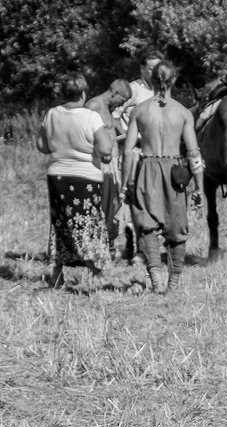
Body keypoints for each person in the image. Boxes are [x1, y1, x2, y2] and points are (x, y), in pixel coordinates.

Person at [122, 60, 204, 294]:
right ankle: (173, 282)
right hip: (173, 172)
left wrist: (126, 182)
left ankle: (155, 277)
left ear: (151, 79)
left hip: (147, 168)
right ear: (174, 80)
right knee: (177, 228)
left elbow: (128, 151)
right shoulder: (182, 112)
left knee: (146, 227)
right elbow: (193, 153)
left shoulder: (139, 110)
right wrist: (198, 188)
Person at [36, 72, 114, 287]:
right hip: (85, 177)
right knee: (87, 225)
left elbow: (42, 146)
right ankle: (95, 273)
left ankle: (57, 273)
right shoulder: (91, 117)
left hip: (58, 176)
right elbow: (105, 148)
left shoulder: (51, 114)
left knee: (61, 225)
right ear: (82, 93)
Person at [113, 49, 164, 258]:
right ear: (142, 68)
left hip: (155, 153)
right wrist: (128, 136)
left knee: (153, 198)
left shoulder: (162, 91)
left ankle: (147, 245)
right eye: (150, 68)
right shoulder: (133, 90)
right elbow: (115, 116)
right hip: (133, 152)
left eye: (158, 68)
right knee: (131, 196)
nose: (155, 73)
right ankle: (132, 244)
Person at [85, 79, 132, 253]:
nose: (123, 104)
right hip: (99, 166)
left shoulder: (107, 108)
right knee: (101, 205)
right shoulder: (94, 106)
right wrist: (99, 152)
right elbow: (85, 134)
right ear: (114, 93)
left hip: (112, 166)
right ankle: (97, 244)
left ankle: (107, 242)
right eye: (122, 100)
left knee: (112, 205)